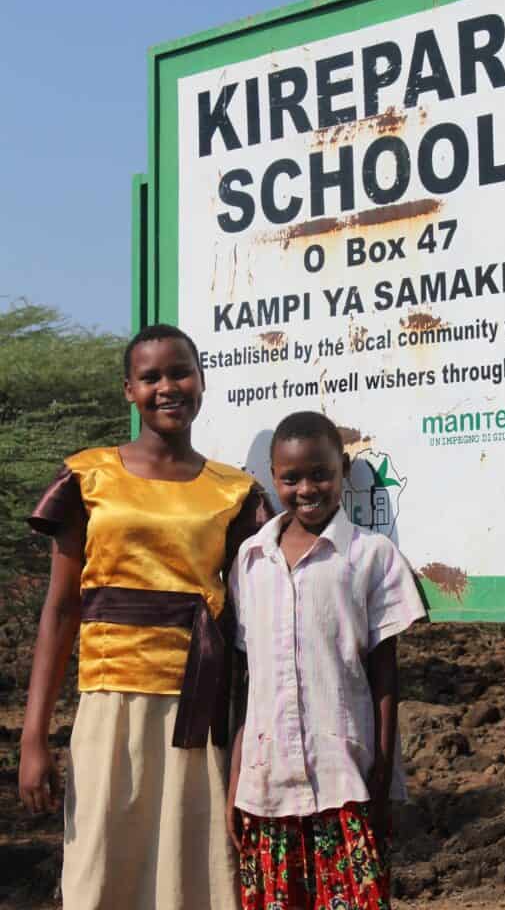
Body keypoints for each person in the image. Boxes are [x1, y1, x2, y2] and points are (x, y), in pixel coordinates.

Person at [19, 323, 270, 910]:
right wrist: (34, 737)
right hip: (109, 703)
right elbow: (59, 611)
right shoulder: (89, 476)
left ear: (202, 382)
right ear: (128, 389)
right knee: (101, 868)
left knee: (191, 873)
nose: (167, 387)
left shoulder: (233, 493)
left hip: (198, 705)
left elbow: (253, 628)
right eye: (151, 377)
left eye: (180, 372)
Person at [226, 410, 426, 910]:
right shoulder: (251, 561)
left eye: (321, 474)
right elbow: (247, 684)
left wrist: (382, 773)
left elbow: (384, 673)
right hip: (267, 782)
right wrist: (236, 781)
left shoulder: (370, 555)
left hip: (346, 778)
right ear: (273, 479)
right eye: (291, 478)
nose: (306, 488)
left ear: (343, 474)